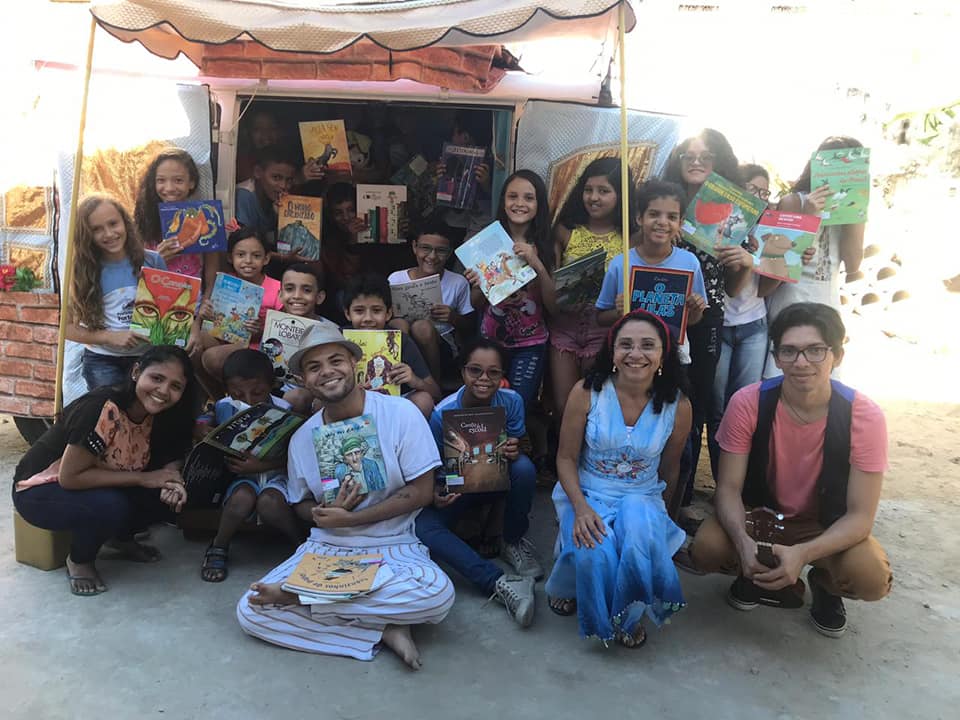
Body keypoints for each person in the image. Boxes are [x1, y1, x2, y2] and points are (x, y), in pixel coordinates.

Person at [236, 323, 455, 670]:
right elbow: (301, 503)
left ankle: (304, 600)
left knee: (437, 594)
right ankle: (382, 627)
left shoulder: (400, 413)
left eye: (335, 360)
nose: (327, 371)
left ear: (354, 363)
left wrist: (353, 518)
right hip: (329, 547)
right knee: (250, 611)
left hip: (394, 544)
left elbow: (422, 491)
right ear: (304, 380)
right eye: (314, 367)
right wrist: (321, 512)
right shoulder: (303, 437)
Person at [689, 303, 892, 637]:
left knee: (869, 577)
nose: (801, 362)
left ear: (837, 356)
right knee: (708, 548)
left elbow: (860, 516)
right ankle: (753, 571)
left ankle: (825, 584)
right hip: (760, 518)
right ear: (776, 357)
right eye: (789, 351)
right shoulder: (748, 402)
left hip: (825, 524)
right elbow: (728, 489)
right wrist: (742, 542)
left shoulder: (864, 416)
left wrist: (803, 554)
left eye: (815, 350)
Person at [545, 310, 691, 647]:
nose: (635, 354)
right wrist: (580, 508)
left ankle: (627, 614)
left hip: (642, 495)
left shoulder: (679, 405)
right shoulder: (586, 392)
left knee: (640, 536)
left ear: (663, 355)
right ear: (612, 352)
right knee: (593, 551)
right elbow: (565, 458)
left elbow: (670, 469)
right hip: (588, 492)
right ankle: (570, 585)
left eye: (647, 345)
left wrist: (661, 519)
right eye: (625, 345)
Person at [12, 346, 196, 596]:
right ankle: (80, 560)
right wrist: (145, 479)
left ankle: (120, 539)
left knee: (163, 495)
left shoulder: (163, 414)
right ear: (136, 372)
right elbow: (70, 477)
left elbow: (170, 458)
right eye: (157, 378)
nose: (163, 391)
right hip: (40, 489)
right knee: (110, 505)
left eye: (176, 386)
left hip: (98, 482)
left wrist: (172, 481)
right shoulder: (102, 407)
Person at [415, 339, 541, 628]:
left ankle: (512, 540)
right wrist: (437, 492)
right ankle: (496, 579)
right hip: (459, 487)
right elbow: (433, 467)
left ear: (502, 376)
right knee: (422, 526)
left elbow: (520, 445)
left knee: (523, 468)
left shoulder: (512, 401)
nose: (484, 379)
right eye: (475, 370)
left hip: (497, 478)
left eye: (493, 372)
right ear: (462, 372)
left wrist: (515, 449)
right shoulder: (442, 414)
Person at [662, 129, 755, 512]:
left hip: (707, 320)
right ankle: (655, 492)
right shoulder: (665, 203)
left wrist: (745, 264)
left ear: (720, 162)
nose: (696, 161)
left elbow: (731, 288)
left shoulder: (734, 214)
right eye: (688, 155)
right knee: (657, 399)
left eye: (706, 155)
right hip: (662, 312)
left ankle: (680, 501)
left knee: (696, 407)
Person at [198, 350, 306, 583]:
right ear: (227, 389)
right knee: (241, 498)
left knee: (270, 503)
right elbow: (204, 422)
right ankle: (219, 545)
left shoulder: (285, 409)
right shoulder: (222, 407)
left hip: (276, 475)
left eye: (257, 392)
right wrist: (202, 427)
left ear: (272, 385)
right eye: (238, 394)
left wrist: (262, 465)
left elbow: (295, 457)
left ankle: (301, 544)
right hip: (240, 478)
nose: (248, 399)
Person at [764, 136, 868, 377]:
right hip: (790, 299)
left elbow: (853, 265)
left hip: (826, 300)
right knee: (785, 372)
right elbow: (777, 264)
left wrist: (854, 216)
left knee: (824, 376)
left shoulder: (853, 210)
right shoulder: (793, 202)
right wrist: (811, 216)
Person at [550, 157, 633, 423]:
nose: (594, 197)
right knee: (564, 408)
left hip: (605, 329)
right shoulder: (564, 231)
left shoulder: (631, 238)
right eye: (588, 189)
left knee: (596, 407)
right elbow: (551, 281)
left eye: (604, 191)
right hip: (565, 326)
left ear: (620, 195)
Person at [464, 170, 556, 408]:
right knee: (487, 408)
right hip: (490, 344)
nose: (519, 203)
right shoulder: (486, 242)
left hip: (530, 344)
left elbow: (553, 305)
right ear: (503, 201)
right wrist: (479, 283)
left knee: (517, 406)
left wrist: (536, 263)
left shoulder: (548, 245)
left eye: (529, 197)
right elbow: (476, 303)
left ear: (539, 204)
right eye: (512, 196)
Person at [595, 180, 708, 363]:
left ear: (680, 222)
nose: (662, 222)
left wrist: (695, 310)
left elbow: (692, 320)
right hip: (631, 359)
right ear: (639, 218)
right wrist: (618, 312)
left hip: (673, 358)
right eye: (654, 214)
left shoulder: (689, 263)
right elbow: (600, 318)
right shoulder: (620, 264)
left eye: (672, 217)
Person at [66, 194, 166, 391]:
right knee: (111, 407)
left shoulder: (153, 261)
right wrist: (108, 336)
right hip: (103, 360)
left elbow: (169, 310)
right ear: (85, 235)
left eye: (113, 224)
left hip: (149, 357)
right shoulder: (80, 272)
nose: (109, 233)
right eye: (96, 229)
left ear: (125, 222)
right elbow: (67, 328)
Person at [341, 273, 442, 417]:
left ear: (388, 313)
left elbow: (436, 393)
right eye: (359, 311)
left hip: (392, 409)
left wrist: (414, 380)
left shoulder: (400, 341)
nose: (368, 318)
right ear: (347, 314)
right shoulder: (338, 340)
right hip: (349, 406)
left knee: (423, 400)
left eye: (376, 311)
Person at [197, 227, 284, 391]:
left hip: (256, 346)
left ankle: (234, 394)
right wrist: (206, 313)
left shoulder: (277, 289)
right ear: (230, 257)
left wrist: (260, 329)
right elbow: (214, 320)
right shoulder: (225, 282)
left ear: (266, 258)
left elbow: (282, 331)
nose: (248, 261)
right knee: (194, 339)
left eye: (256, 256)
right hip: (225, 336)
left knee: (212, 358)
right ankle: (218, 395)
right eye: (241, 255)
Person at [388, 219, 474, 381]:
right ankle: (394, 377)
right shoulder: (396, 279)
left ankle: (433, 385)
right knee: (398, 324)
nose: (432, 256)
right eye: (425, 248)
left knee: (422, 327)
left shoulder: (458, 282)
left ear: (449, 253)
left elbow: (469, 326)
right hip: (405, 340)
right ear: (414, 247)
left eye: (440, 251)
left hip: (442, 346)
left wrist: (452, 317)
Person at [134, 147, 220, 292]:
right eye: (161, 180)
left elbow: (212, 269)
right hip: (153, 299)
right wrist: (157, 260)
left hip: (191, 302)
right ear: (153, 182)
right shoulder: (144, 219)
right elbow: (133, 273)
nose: (169, 188)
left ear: (191, 182)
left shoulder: (204, 216)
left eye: (178, 180)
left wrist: (207, 298)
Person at [234, 144, 299, 268]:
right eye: (276, 178)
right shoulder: (244, 196)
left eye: (289, 180)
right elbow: (245, 247)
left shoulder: (277, 199)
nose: (283, 186)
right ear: (258, 172)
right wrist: (282, 257)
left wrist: (281, 218)